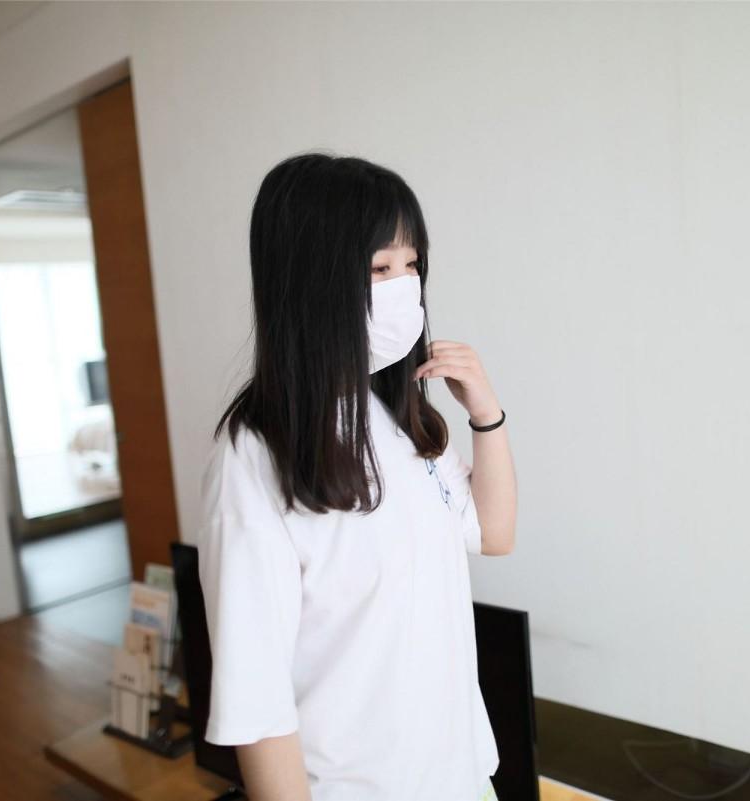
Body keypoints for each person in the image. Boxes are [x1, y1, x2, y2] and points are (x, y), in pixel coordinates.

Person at [195, 152, 518, 801]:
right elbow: (257, 705)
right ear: (311, 280)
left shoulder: (397, 418)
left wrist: (486, 414)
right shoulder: (255, 457)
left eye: (412, 265)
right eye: (380, 268)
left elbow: (494, 533)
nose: (405, 287)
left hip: (463, 777)